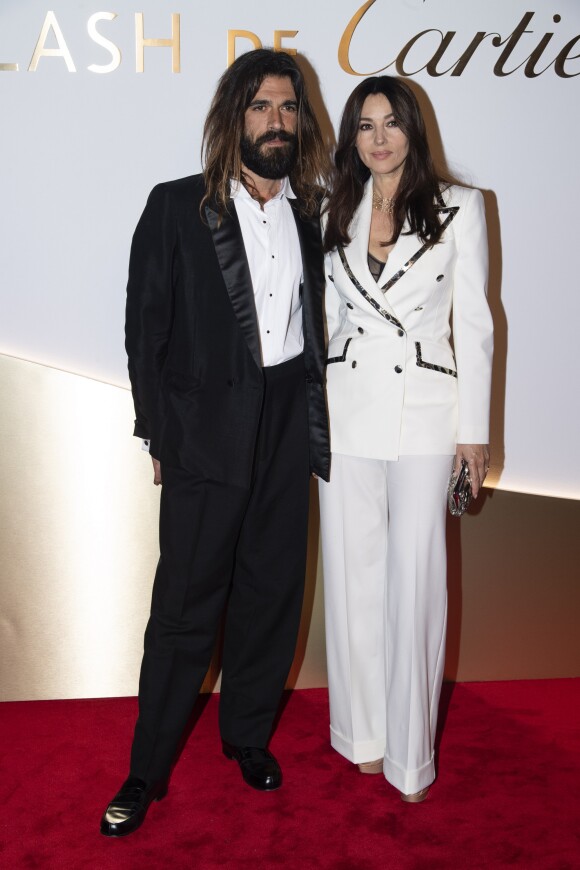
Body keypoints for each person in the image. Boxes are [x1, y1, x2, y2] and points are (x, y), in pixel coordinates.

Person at [100, 48, 330, 838]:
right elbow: (145, 331)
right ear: (234, 117)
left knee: (271, 595)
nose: (276, 122)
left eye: (288, 108)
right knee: (185, 608)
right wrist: (161, 432)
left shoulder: (309, 216)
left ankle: (247, 737)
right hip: (205, 435)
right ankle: (146, 768)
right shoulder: (176, 206)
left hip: (283, 432)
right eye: (262, 107)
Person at [319, 76, 493, 802]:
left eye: (391, 123)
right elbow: (327, 313)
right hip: (347, 407)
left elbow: (477, 324)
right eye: (365, 125)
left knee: (416, 581)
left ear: (413, 130)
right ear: (353, 139)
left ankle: (411, 756)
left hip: (426, 410)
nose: (379, 136)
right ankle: (364, 734)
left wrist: (473, 435)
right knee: (352, 576)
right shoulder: (336, 206)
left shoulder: (462, 208)